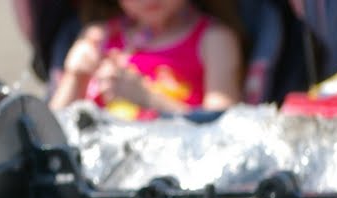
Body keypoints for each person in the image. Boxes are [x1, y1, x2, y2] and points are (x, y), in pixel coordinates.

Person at [50, 0, 244, 118]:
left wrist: (149, 99)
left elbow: (222, 127)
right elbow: (49, 134)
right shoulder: (99, 37)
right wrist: (74, 78)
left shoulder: (214, 40)